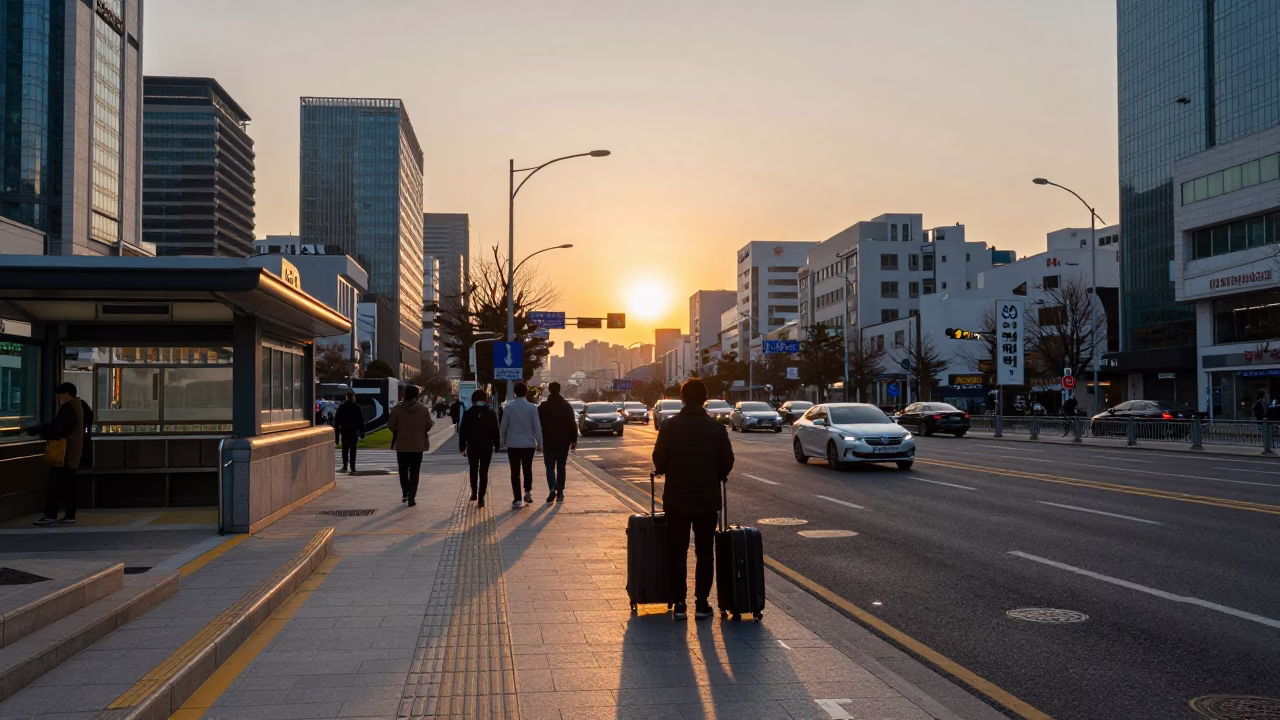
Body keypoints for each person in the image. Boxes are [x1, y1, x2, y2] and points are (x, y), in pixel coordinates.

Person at [652, 377, 734, 621]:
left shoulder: (669, 426)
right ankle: (701, 603)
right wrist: (716, 473)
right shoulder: (716, 428)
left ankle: (678, 603)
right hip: (707, 499)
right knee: (704, 551)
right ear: (705, 399)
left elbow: (659, 460)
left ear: (683, 398)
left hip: (676, 498)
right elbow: (727, 462)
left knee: (677, 550)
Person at [30, 383, 93, 526]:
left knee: (55, 485)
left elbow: (59, 430)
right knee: (70, 486)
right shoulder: (82, 406)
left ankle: (50, 516)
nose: (58, 399)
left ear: (67, 395)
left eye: (59, 396)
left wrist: (40, 431)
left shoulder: (67, 409)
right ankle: (70, 515)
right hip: (76, 453)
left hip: (64, 454)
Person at [388, 386, 434, 506]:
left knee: (403, 470)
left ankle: (405, 492)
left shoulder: (397, 408)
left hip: (402, 445)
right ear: (417, 395)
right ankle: (412, 496)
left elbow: (391, 425)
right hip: (417, 445)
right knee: (415, 471)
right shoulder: (423, 409)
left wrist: (400, 429)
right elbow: (429, 424)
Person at [499, 382, 543, 508]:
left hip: (513, 444)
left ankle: (517, 499)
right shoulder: (532, 408)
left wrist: (502, 440)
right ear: (526, 392)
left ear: (515, 393)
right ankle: (528, 491)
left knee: (515, 472)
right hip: (528, 444)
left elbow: (504, 426)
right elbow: (537, 427)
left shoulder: (508, 407)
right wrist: (540, 442)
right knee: (527, 468)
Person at [459, 389, 501, 508]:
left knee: (473, 469)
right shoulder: (491, 412)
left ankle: (474, 493)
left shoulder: (468, 412)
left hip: (472, 446)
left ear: (473, 399)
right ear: (485, 399)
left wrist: (462, 447)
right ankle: (481, 497)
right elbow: (496, 430)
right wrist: (497, 445)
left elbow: (463, 432)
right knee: (484, 471)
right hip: (486, 446)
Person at [537, 382, 578, 503]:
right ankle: (560, 492)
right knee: (561, 467)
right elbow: (572, 424)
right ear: (559, 390)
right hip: (563, 442)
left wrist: (538, 441)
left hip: (548, 442)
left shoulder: (542, 407)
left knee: (549, 467)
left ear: (549, 390)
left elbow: (537, 426)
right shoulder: (566, 406)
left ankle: (552, 488)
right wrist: (573, 440)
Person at [334, 391, 365, 474]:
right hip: (353, 432)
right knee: (353, 450)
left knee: (345, 450)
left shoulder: (342, 407)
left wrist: (337, 437)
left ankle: (345, 466)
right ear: (353, 397)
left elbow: (337, 422)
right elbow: (360, 422)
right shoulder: (357, 408)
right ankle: (353, 467)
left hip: (345, 432)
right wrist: (362, 433)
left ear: (347, 397)